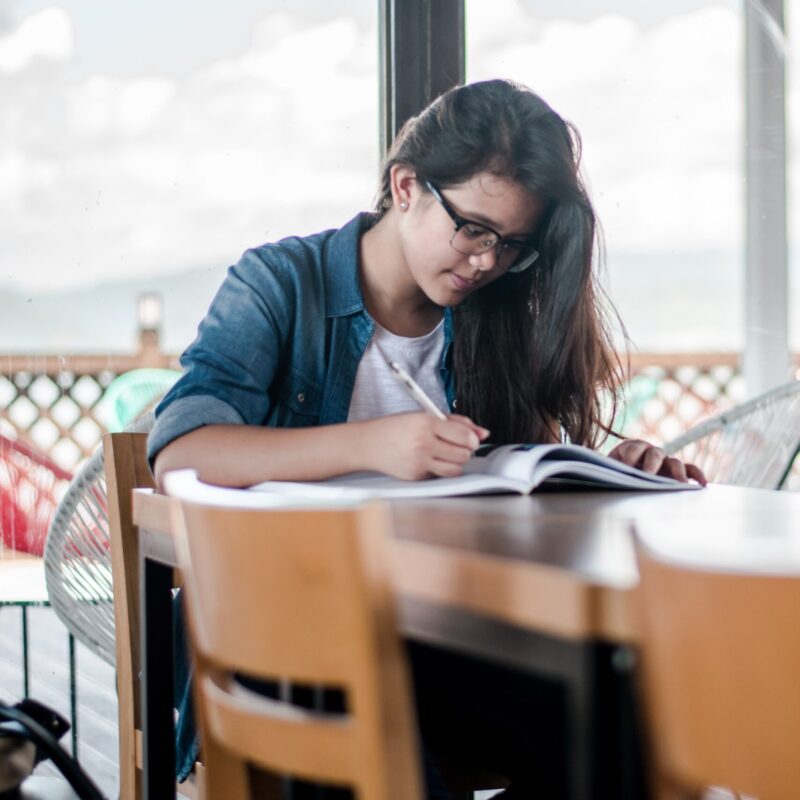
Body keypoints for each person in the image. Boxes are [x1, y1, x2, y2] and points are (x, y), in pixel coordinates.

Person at [149, 78, 704, 797]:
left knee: (629, 722)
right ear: (405, 185)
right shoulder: (280, 283)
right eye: (472, 228)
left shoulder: (494, 317)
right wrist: (372, 446)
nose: (485, 262)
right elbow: (181, 453)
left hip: (447, 634)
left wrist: (605, 471)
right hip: (287, 631)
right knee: (359, 716)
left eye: (512, 246)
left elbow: (510, 481)